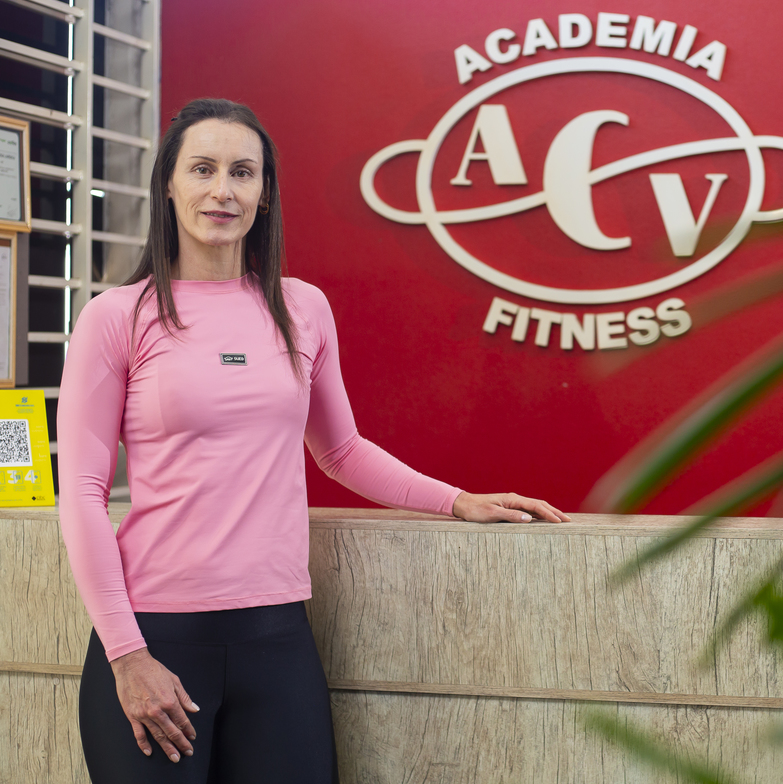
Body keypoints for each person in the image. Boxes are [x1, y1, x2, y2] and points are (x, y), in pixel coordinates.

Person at [57, 97, 570, 783]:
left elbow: (341, 450)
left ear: (264, 194)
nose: (222, 190)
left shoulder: (302, 307)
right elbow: (82, 492)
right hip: (155, 637)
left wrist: (458, 500)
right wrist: (126, 654)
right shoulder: (116, 317)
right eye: (202, 169)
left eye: (242, 172)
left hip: (278, 638)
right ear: (169, 186)